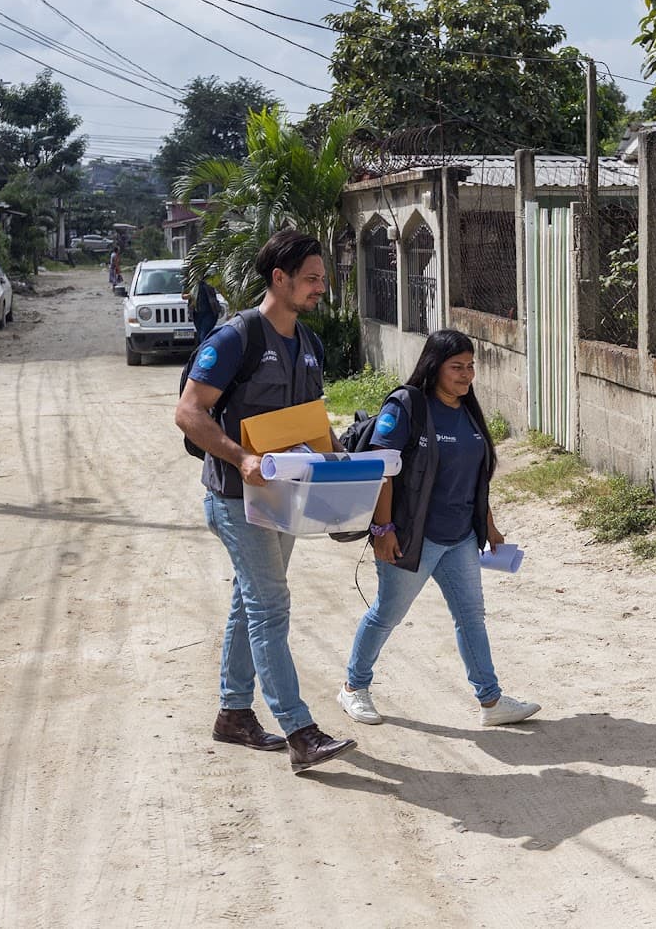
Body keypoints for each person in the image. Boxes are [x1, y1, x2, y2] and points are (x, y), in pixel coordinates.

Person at [175, 228, 356, 774]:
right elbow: (189, 412)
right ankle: (299, 730)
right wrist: (238, 457)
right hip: (237, 499)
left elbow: (306, 423)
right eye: (310, 279)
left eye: (322, 280)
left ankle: (233, 714)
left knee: (250, 602)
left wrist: (339, 456)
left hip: (284, 500)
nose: (319, 289)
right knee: (270, 606)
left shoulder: (308, 344)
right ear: (279, 279)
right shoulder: (236, 339)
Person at [339, 329, 541, 728]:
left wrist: (490, 526)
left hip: (460, 538)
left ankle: (491, 701)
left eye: (470, 367)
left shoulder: (468, 411)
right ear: (434, 367)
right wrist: (383, 530)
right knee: (387, 614)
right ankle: (353, 687)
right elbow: (384, 469)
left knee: (471, 616)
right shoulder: (408, 405)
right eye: (456, 367)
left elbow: (473, 476)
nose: (466, 375)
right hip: (414, 537)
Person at [190, 278, 221, 345]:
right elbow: (183, 296)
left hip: (210, 313)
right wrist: (192, 294)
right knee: (200, 334)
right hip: (197, 314)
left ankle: (204, 352)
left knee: (204, 334)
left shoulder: (209, 280)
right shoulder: (190, 281)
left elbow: (218, 289)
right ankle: (204, 351)